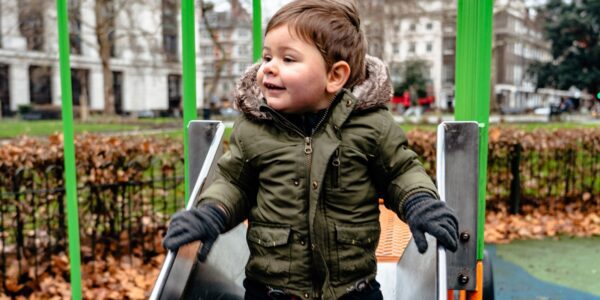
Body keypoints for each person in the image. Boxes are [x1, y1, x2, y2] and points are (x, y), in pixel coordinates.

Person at [162, 1, 459, 299]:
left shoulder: (370, 125)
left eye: (288, 59)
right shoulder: (255, 127)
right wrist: (212, 212)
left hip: (353, 288)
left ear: (334, 76)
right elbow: (234, 182)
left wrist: (419, 202)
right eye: (267, 56)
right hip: (272, 289)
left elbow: (400, 171)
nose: (268, 68)